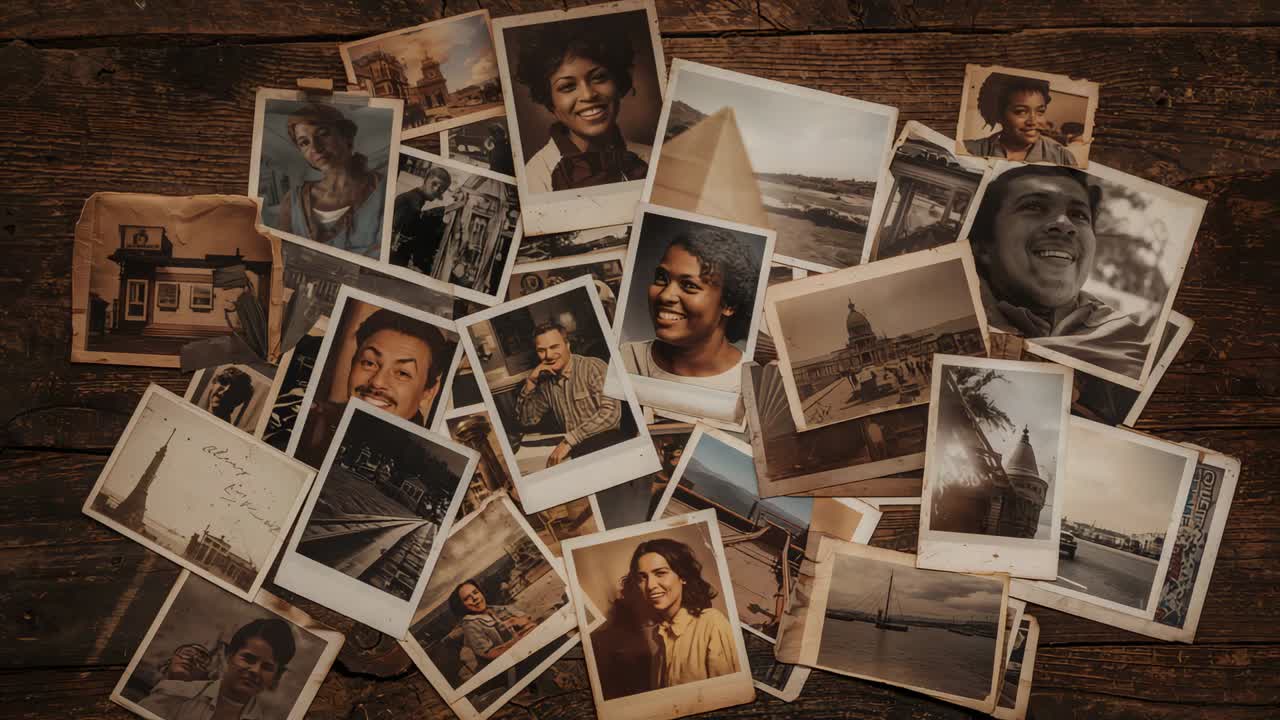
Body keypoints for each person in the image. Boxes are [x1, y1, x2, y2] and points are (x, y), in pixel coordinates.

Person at [970, 163, 1151, 379]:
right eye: (1034, 207)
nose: (1065, 224)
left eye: (1079, 215)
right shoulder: (945, 320)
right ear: (982, 245)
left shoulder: (1138, 345)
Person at [296, 309, 452, 467]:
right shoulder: (313, 419)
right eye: (369, 363)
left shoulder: (417, 461)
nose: (377, 382)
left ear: (428, 393)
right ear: (352, 364)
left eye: (402, 373)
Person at [514, 21, 650, 192]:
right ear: (550, 102)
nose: (588, 95)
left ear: (618, 82)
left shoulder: (653, 160)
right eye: (567, 87)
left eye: (599, 77)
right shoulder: (535, 177)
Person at [621, 228, 760, 393]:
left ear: (729, 304)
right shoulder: (625, 360)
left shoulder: (755, 383)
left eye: (689, 285)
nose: (665, 296)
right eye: (661, 278)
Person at [618, 538, 739, 689]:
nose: (650, 586)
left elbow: (730, 695)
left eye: (660, 573)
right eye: (643, 577)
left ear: (683, 576)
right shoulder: (658, 636)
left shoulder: (712, 623)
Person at [276, 102, 387, 258]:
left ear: (346, 136)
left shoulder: (384, 188)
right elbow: (280, 256)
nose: (315, 148)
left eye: (323, 134)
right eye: (304, 143)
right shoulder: (293, 200)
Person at [514, 321, 627, 468]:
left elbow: (611, 414)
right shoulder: (546, 380)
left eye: (554, 347)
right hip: (575, 451)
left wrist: (569, 441)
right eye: (541, 350)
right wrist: (531, 382)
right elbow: (527, 421)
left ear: (567, 345)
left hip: (606, 446)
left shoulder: (593, 367)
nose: (548, 355)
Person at [138, 618, 297, 720]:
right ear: (228, 655)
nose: (255, 670)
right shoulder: (174, 693)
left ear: (276, 676)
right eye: (248, 658)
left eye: (267, 667)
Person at [963, 73, 1078, 167]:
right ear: (998, 114)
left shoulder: (1062, 157)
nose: (1033, 121)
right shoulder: (970, 150)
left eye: (1040, 112)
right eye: (1020, 112)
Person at [449, 580, 535, 682]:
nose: (475, 598)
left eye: (475, 592)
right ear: (461, 605)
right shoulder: (469, 624)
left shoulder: (492, 609)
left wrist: (517, 621)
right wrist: (519, 640)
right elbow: (489, 654)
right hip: (506, 670)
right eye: (467, 598)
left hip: (521, 654)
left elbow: (524, 617)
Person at [390, 166, 454, 274]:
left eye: (442, 188)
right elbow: (398, 232)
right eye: (434, 183)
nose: (436, 190)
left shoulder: (416, 200)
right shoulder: (412, 201)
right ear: (426, 179)